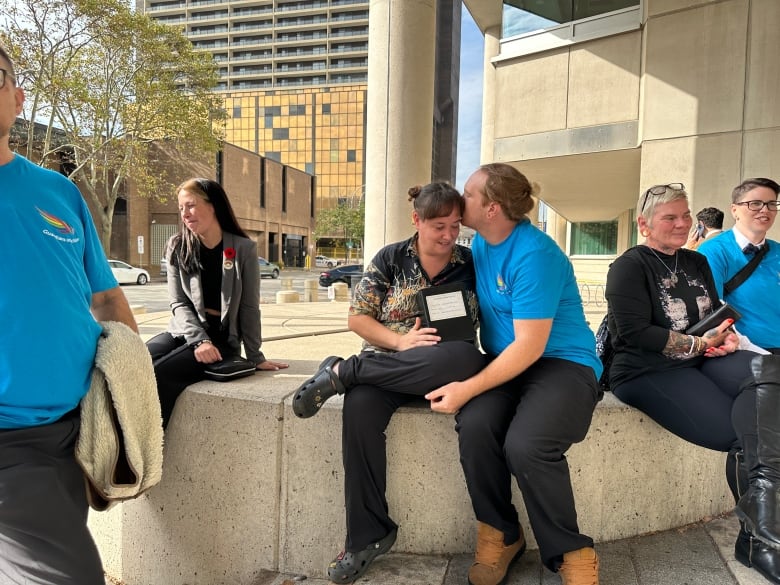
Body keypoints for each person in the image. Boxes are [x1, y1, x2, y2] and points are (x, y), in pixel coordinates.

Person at [296, 182, 485, 584]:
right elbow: (358, 318)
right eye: (439, 226)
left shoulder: (472, 262)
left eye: (455, 226)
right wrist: (401, 341)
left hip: (447, 366)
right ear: (416, 220)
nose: (449, 235)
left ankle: (344, 372)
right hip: (390, 365)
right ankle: (368, 535)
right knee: (359, 407)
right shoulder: (390, 258)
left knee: (465, 355)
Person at [0, 46, 140, 584]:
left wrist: (134, 388)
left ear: (18, 97)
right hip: (10, 441)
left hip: (73, 430)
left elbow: (103, 299)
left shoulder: (59, 191)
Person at [426, 163, 602, 585]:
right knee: (476, 425)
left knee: (527, 446)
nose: (459, 197)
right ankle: (501, 532)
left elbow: (530, 346)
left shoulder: (535, 254)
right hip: (508, 363)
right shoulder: (483, 243)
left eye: (469, 194)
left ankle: (572, 551)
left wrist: (467, 386)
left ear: (492, 208)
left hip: (563, 363)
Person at [605, 182, 780, 584]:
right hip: (646, 370)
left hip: (701, 359)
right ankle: (759, 541)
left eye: (686, 216)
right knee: (740, 432)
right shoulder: (630, 266)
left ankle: (766, 531)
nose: (682, 224)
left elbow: (716, 312)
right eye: (670, 217)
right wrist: (699, 342)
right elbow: (631, 332)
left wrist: (728, 337)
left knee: (770, 374)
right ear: (643, 224)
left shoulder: (694, 261)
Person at [146, 178, 288, 427]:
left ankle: (152, 444)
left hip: (222, 338)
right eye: (181, 208)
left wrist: (255, 356)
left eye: (190, 205)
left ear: (213, 206)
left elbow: (249, 307)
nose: (185, 214)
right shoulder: (177, 246)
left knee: (161, 374)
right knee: (139, 360)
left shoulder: (243, 248)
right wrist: (199, 339)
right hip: (185, 330)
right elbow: (178, 303)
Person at [698, 178, 780, 353]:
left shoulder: (777, 250)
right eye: (755, 203)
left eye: (772, 204)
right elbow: (712, 310)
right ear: (734, 210)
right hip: (746, 350)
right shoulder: (713, 251)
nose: (765, 210)